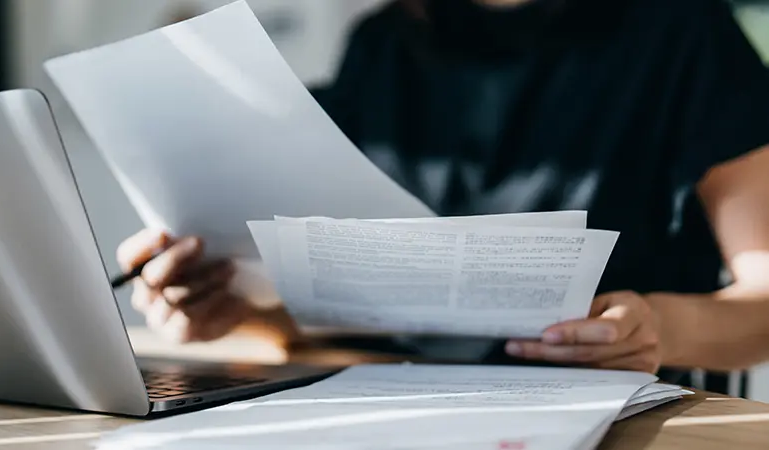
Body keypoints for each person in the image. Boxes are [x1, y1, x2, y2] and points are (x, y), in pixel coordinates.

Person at [116, 0, 769, 382]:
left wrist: (660, 328)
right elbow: (364, 303)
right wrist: (237, 310)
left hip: (609, 417)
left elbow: (763, 304)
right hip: (389, 407)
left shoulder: (686, 36)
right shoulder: (382, 45)